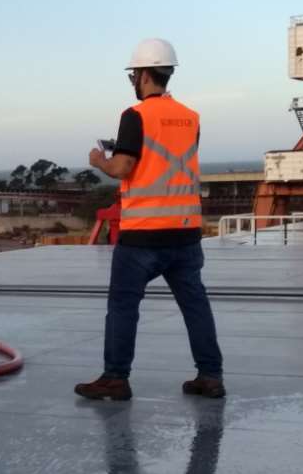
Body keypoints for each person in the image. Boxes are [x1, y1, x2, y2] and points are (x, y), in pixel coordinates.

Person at [76, 39, 224, 401]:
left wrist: (99, 160)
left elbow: (122, 167)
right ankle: (210, 376)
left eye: (133, 75)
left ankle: (116, 378)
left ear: (142, 75)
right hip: (185, 233)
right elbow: (167, 159)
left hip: (143, 236)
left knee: (123, 306)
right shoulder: (191, 118)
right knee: (195, 305)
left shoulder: (135, 115)